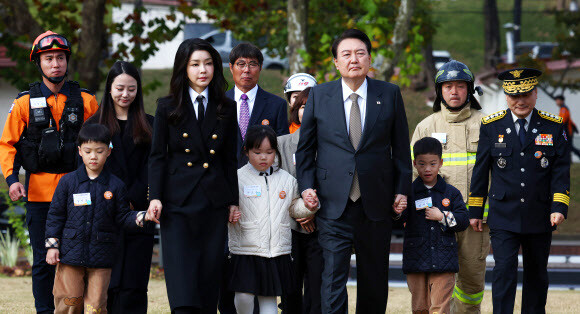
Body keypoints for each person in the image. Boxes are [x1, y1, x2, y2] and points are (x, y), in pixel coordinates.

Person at [296, 29, 413, 313]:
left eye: (360, 53)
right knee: (333, 278)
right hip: (332, 204)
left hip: (376, 204)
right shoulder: (319, 95)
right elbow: (305, 150)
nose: (354, 59)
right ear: (335, 62)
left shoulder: (389, 94)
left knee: (374, 279)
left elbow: (400, 150)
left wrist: (401, 191)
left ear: (369, 59)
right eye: (346, 54)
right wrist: (306, 187)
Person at [0, 30, 99, 313]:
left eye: (60, 58)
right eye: (48, 59)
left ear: (67, 61)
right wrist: (11, 179)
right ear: (39, 63)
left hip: (80, 194)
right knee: (44, 259)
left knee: (81, 257)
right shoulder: (22, 103)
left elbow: (103, 145)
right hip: (39, 196)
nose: (55, 63)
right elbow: (7, 144)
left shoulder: (87, 101)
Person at [146, 38, 239, 313]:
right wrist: (156, 197)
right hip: (177, 202)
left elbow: (229, 159)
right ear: (183, 69)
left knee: (209, 276)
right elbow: (157, 157)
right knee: (182, 278)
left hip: (213, 202)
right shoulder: (167, 107)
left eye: (209, 64)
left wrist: (233, 201)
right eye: (195, 64)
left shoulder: (226, 107)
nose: (203, 70)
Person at [469, 68, 570, 313]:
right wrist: (475, 209)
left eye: (525, 94)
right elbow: (481, 170)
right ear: (506, 96)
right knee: (504, 271)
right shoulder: (491, 127)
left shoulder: (554, 127)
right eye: (514, 96)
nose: (520, 101)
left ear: (535, 94)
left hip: (539, 213)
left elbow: (560, 172)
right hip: (504, 214)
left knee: (537, 274)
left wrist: (559, 207)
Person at [44, 123, 155, 313]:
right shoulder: (67, 182)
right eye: (88, 151)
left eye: (99, 151)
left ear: (108, 152)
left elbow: (123, 217)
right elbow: (55, 215)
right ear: (80, 151)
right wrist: (52, 246)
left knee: (95, 306)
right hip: (70, 256)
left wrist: (144, 216)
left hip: (102, 257)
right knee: (69, 303)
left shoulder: (116, 185)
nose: (93, 156)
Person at [410, 60, 488, 312]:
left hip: (475, 220)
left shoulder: (488, 125)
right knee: (435, 281)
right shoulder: (426, 127)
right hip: (434, 221)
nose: (454, 91)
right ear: (439, 91)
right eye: (448, 86)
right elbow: (415, 176)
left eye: (460, 86)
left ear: (470, 90)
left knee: (471, 281)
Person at [85, 60, 154, 313]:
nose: (125, 95)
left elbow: (154, 166)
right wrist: (116, 199)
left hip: (139, 213)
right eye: (119, 88)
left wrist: (134, 198)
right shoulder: (94, 126)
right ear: (109, 89)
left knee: (134, 286)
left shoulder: (151, 125)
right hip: (105, 215)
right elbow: (88, 168)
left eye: (132, 89)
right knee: (106, 285)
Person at [228, 125, 318, 314]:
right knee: (244, 296)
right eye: (257, 152)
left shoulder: (287, 179)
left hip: (275, 250)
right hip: (246, 248)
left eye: (269, 152)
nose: (263, 157)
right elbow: (227, 206)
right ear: (246, 152)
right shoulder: (236, 178)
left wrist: (309, 206)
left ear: (276, 153)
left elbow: (294, 207)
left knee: (269, 298)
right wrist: (230, 212)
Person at [402, 137, 469, 313]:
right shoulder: (408, 193)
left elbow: (463, 220)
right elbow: (397, 222)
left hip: (444, 260)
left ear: (441, 163)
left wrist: (442, 216)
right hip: (416, 259)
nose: (427, 169)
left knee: (440, 307)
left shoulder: (451, 192)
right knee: (419, 308)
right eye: (422, 164)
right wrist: (396, 211)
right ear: (414, 164)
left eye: (432, 163)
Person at [278, 87, 323, 314]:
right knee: (290, 291)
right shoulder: (281, 144)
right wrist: (299, 211)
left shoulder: (331, 146)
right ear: (296, 111)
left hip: (321, 228)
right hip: (289, 229)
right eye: (304, 106)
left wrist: (312, 211)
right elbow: (277, 184)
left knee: (318, 293)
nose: (309, 110)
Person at [225, 42, 289, 167]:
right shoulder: (218, 103)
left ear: (260, 67)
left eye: (252, 64)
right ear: (231, 67)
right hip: (226, 177)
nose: (246, 70)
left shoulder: (277, 105)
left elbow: (282, 147)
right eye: (241, 64)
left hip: (263, 176)